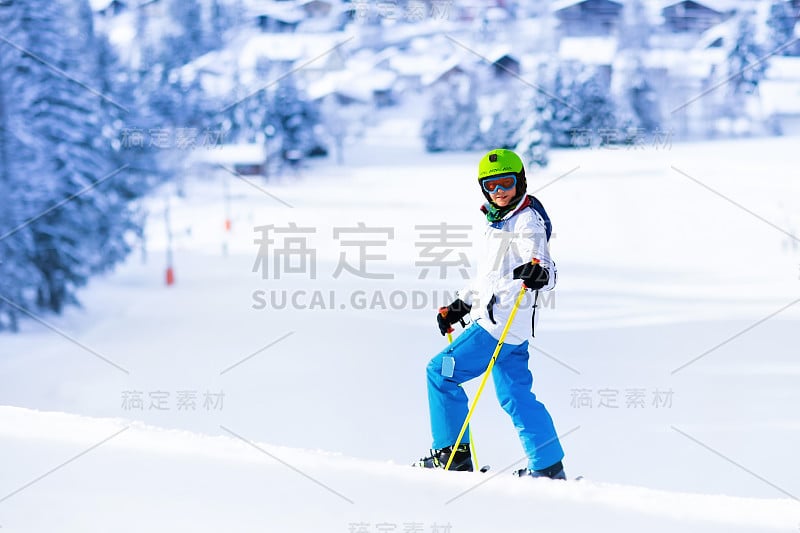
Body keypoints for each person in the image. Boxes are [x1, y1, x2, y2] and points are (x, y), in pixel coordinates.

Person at [415, 148, 566, 479]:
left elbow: (542, 261)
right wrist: (462, 303)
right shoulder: (498, 221)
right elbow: (489, 277)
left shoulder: (526, 219)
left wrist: (540, 271)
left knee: (440, 373)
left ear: (520, 181)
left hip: (498, 324)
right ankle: (548, 466)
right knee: (515, 395)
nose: (500, 192)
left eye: (506, 184)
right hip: (511, 325)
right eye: (492, 186)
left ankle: (451, 457)